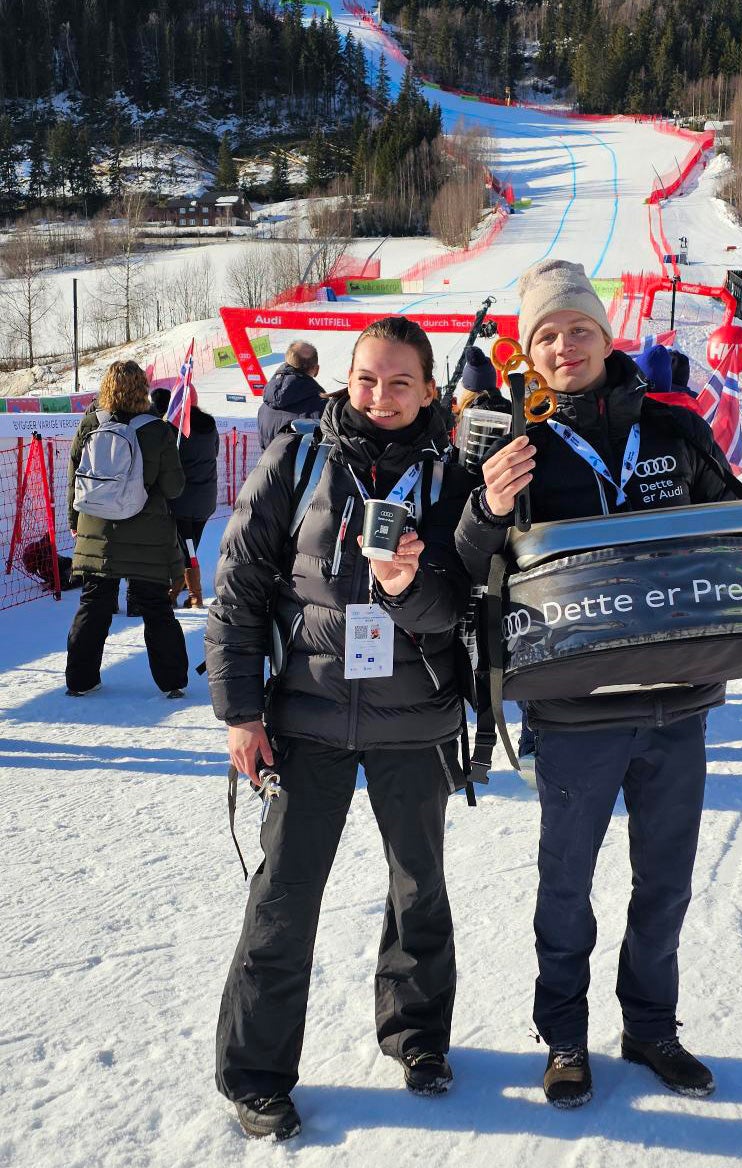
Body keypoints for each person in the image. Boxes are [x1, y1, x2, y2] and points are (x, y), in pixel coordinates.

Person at [456, 259, 742, 1109]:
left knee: (667, 882)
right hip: (574, 708)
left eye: (578, 329)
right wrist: (488, 510)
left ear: (606, 336)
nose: (564, 345)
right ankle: (565, 1039)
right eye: (546, 335)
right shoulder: (519, 447)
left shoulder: (675, 427)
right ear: (529, 354)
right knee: (566, 884)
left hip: (679, 696)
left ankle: (651, 1029)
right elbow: (468, 567)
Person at [206, 316, 475, 1142]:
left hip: (415, 718)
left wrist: (405, 585)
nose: (382, 397)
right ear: (345, 380)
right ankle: (257, 1074)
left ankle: (418, 1037)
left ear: (431, 390)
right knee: (283, 898)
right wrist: (241, 713)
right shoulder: (299, 457)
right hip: (305, 720)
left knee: (418, 889)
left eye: (401, 382)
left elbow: (463, 604)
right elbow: (240, 587)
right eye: (367, 379)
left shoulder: (456, 476)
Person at [65, 360, 188, 697]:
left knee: (94, 603)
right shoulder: (158, 430)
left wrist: (74, 522)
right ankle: (172, 682)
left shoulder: (90, 423)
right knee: (155, 606)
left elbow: (73, 479)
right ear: (142, 388)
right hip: (147, 535)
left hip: (97, 528)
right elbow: (175, 488)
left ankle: (80, 680)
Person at [150, 385, 219, 607]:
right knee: (189, 545)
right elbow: (214, 452)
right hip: (206, 497)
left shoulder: (174, 428)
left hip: (183, 499)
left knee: (186, 546)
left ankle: (192, 594)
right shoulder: (210, 425)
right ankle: (181, 588)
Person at [257, 340, 326, 450]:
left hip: (268, 466)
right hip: (304, 467)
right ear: (316, 369)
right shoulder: (323, 406)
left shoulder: (264, 407)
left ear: (286, 363)